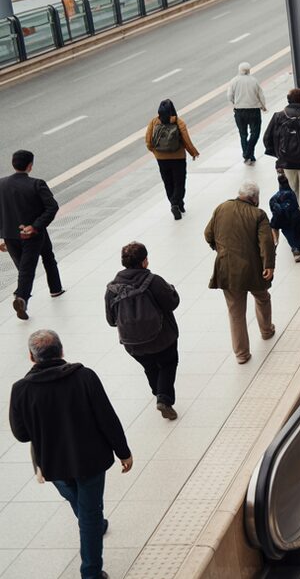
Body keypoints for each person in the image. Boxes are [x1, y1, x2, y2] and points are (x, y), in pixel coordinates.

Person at [8, 329, 133, 579]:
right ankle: (91, 572)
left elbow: (21, 434)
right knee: (89, 515)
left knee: (75, 497)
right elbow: (106, 417)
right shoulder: (84, 377)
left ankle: (93, 522)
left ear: (32, 358)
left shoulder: (21, 389)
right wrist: (123, 452)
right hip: (90, 460)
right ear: (62, 350)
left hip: (52, 462)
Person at [104, 241, 181, 420]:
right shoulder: (153, 281)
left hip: (133, 344)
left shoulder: (112, 289)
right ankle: (163, 397)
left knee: (149, 366)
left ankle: (158, 393)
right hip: (162, 337)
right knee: (168, 363)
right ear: (144, 261)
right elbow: (172, 303)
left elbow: (111, 320)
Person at [204, 181, 275, 364]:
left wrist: (220, 250)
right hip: (253, 270)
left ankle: (241, 354)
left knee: (235, 312)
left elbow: (208, 234)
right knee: (262, 297)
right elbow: (266, 242)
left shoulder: (222, 208)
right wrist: (269, 265)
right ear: (255, 198)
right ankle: (266, 330)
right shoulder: (258, 214)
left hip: (226, 269)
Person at [0, 149, 63, 320]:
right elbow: (52, 207)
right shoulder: (37, 184)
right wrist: (35, 226)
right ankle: (22, 298)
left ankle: (55, 288)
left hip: (10, 235)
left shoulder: (1, 184)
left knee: (26, 266)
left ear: (13, 164)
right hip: (32, 235)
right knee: (29, 268)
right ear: (30, 166)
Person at [145, 99, 199, 220]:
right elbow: (186, 140)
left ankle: (176, 204)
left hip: (161, 159)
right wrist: (193, 152)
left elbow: (148, 141)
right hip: (178, 157)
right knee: (179, 182)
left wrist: (155, 152)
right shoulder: (178, 122)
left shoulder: (154, 122)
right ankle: (177, 203)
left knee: (168, 182)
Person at [226, 62, 268, 164]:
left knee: (243, 134)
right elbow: (260, 95)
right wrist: (263, 106)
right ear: (249, 70)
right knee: (255, 133)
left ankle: (247, 154)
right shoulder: (254, 81)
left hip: (239, 111)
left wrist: (233, 106)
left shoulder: (234, 81)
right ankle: (249, 153)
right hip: (253, 110)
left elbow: (229, 96)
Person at [269, 175, 300, 263]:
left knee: (289, 234)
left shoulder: (274, 198)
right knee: (296, 233)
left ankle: (293, 249)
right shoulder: (291, 194)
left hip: (281, 220)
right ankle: (297, 250)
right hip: (294, 218)